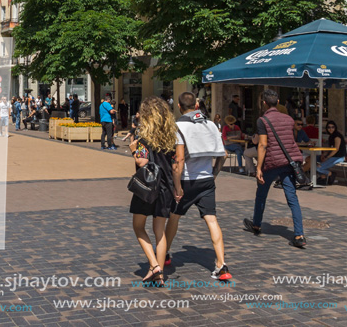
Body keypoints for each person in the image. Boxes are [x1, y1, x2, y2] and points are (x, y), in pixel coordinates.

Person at [165, 92, 230, 281]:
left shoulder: (177, 127)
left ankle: (165, 254)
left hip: (186, 180)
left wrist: (177, 186)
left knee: (174, 218)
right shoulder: (210, 125)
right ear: (196, 105)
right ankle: (221, 264)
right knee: (212, 220)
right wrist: (214, 175)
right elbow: (223, 154)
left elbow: (179, 159)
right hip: (206, 179)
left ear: (178, 106)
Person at [129, 97, 183, 287]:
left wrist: (134, 150)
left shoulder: (142, 137)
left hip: (147, 187)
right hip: (166, 187)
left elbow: (141, 162)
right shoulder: (171, 136)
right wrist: (177, 187)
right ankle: (159, 276)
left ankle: (154, 266)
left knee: (138, 226)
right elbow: (176, 164)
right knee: (160, 231)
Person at [243, 89, 307, 249]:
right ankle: (299, 234)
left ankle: (257, 224)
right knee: (292, 198)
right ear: (278, 102)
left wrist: (259, 168)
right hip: (288, 162)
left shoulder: (262, 120)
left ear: (264, 103)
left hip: (272, 163)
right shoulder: (289, 119)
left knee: (261, 194)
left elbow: (263, 144)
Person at [316, 121, 347, 185]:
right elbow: (329, 149)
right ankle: (323, 177)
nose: (331, 129)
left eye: (333, 127)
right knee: (313, 160)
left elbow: (336, 149)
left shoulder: (337, 136)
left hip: (338, 157)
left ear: (335, 128)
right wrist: (323, 155)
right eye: (329, 127)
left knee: (318, 168)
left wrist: (327, 157)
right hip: (332, 156)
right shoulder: (331, 136)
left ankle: (330, 174)